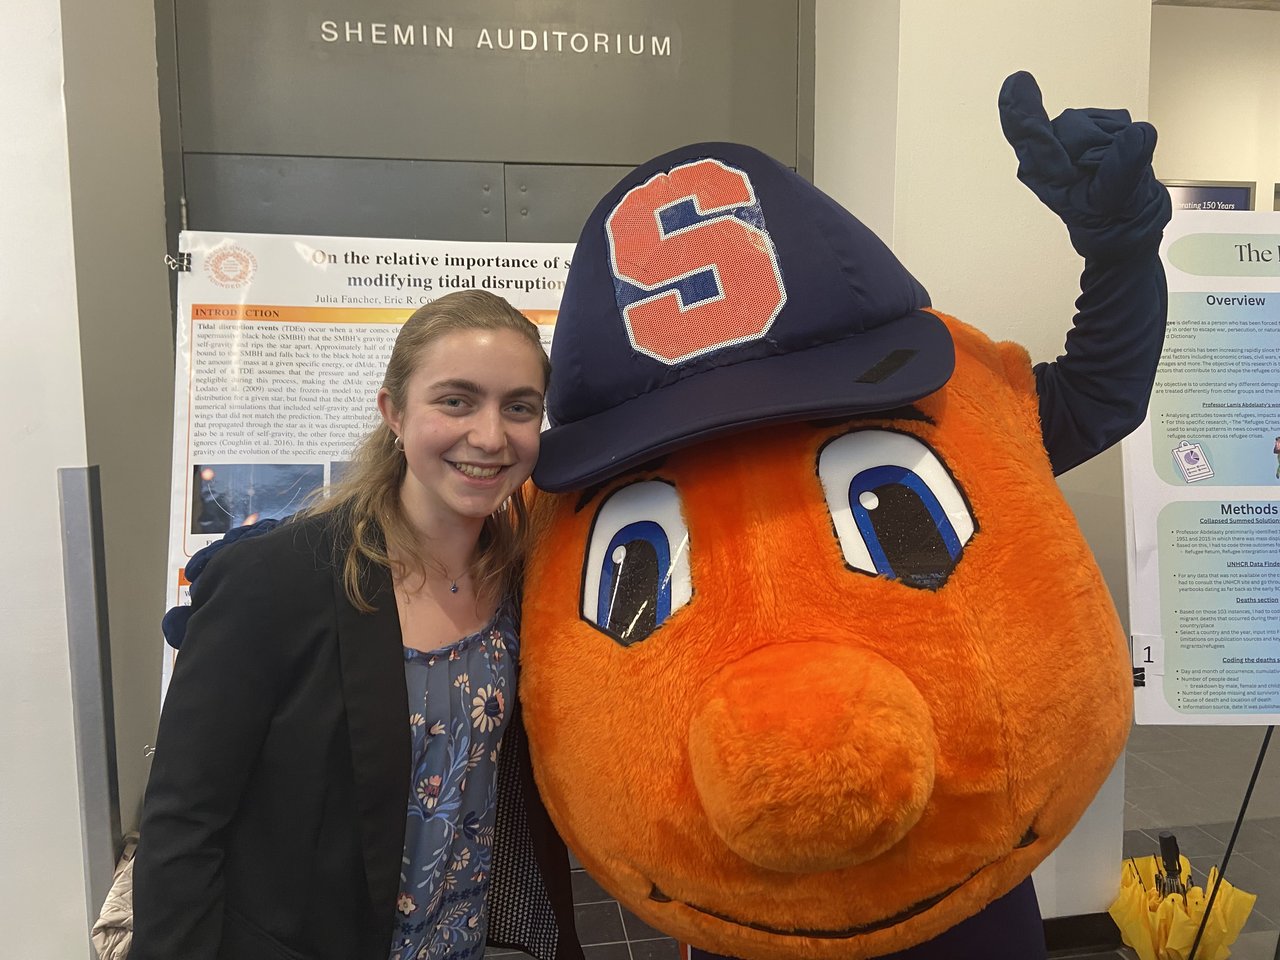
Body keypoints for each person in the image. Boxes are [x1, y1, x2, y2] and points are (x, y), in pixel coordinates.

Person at [132, 290, 582, 960]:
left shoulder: (523, 582)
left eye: (519, 408)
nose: (491, 436)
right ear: (393, 412)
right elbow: (182, 824)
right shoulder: (276, 581)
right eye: (456, 401)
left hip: (461, 942)